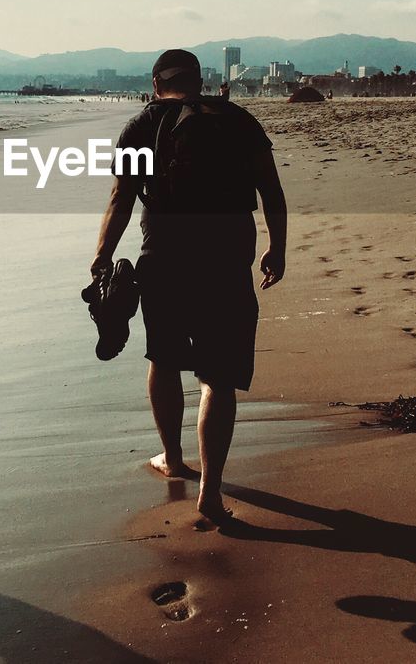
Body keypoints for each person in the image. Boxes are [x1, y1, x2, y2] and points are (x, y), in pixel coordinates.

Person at [92, 50, 287, 523]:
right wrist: (277, 249)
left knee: (163, 357)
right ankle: (212, 491)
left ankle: (174, 460)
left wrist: (101, 256)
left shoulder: (142, 126)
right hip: (226, 261)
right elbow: (271, 192)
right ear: (200, 82)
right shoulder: (239, 121)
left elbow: (121, 198)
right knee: (218, 377)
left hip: (164, 259)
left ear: (156, 83)